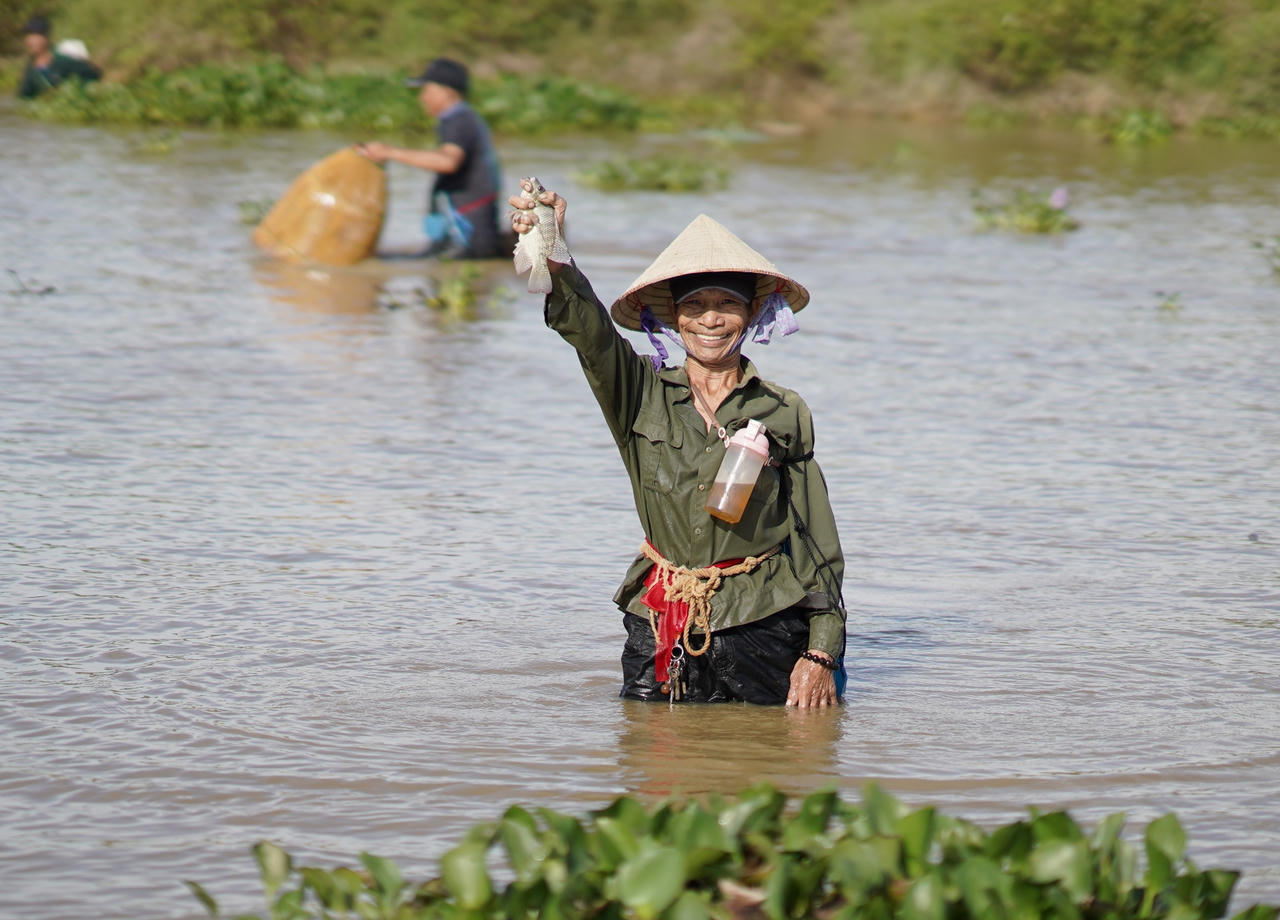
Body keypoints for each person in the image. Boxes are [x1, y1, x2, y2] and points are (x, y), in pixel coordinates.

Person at [510, 181, 847, 708]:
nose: (710, 320)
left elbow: (816, 540)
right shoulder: (639, 393)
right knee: (649, 761)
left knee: (776, 759)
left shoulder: (782, 410)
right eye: (695, 306)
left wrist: (822, 652)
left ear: (751, 314)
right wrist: (554, 246)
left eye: (726, 305)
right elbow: (588, 331)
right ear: (672, 318)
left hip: (764, 619)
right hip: (659, 616)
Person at [358, 58, 503, 259]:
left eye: (427, 90)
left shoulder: (458, 120)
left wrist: (390, 153)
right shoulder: (462, 118)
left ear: (447, 91)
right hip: (465, 235)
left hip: (466, 239)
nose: (422, 97)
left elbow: (448, 162)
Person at [16, 15, 100, 100]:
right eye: (29, 35)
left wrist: (75, 92)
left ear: (46, 37)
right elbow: (24, 95)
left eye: (36, 35)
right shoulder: (31, 68)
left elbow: (93, 73)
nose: (31, 40)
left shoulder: (62, 60)